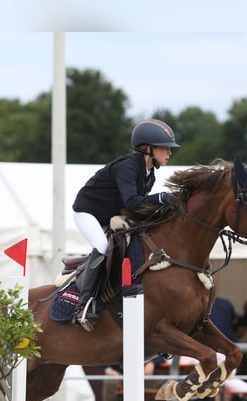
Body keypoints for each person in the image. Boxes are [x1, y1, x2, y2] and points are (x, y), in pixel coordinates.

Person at [70, 119, 180, 331]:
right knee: (102, 246)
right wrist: (162, 198)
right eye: (165, 148)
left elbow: (137, 208)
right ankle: (83, 306)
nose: (169, 153)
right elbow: (131, 202)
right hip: (88, 212)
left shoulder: (150, 174)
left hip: (112, 214)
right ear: (148, 148)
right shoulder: (128, 166)